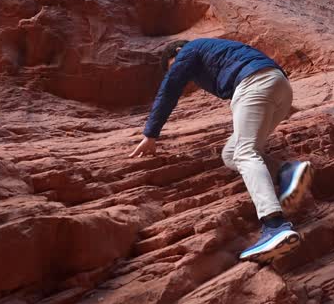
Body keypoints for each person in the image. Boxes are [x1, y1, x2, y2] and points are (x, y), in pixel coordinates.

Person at [131, 37, 313, 262]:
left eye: (175, 65)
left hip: (253, 84)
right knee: (231, 153)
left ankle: (274, 226)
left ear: (178, 51)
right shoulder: (216, 51)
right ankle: (286, 172)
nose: (183, 74)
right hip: (278, 85)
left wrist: (150, 134)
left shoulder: (189, 50)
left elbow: (170, 88)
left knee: (245, 153)